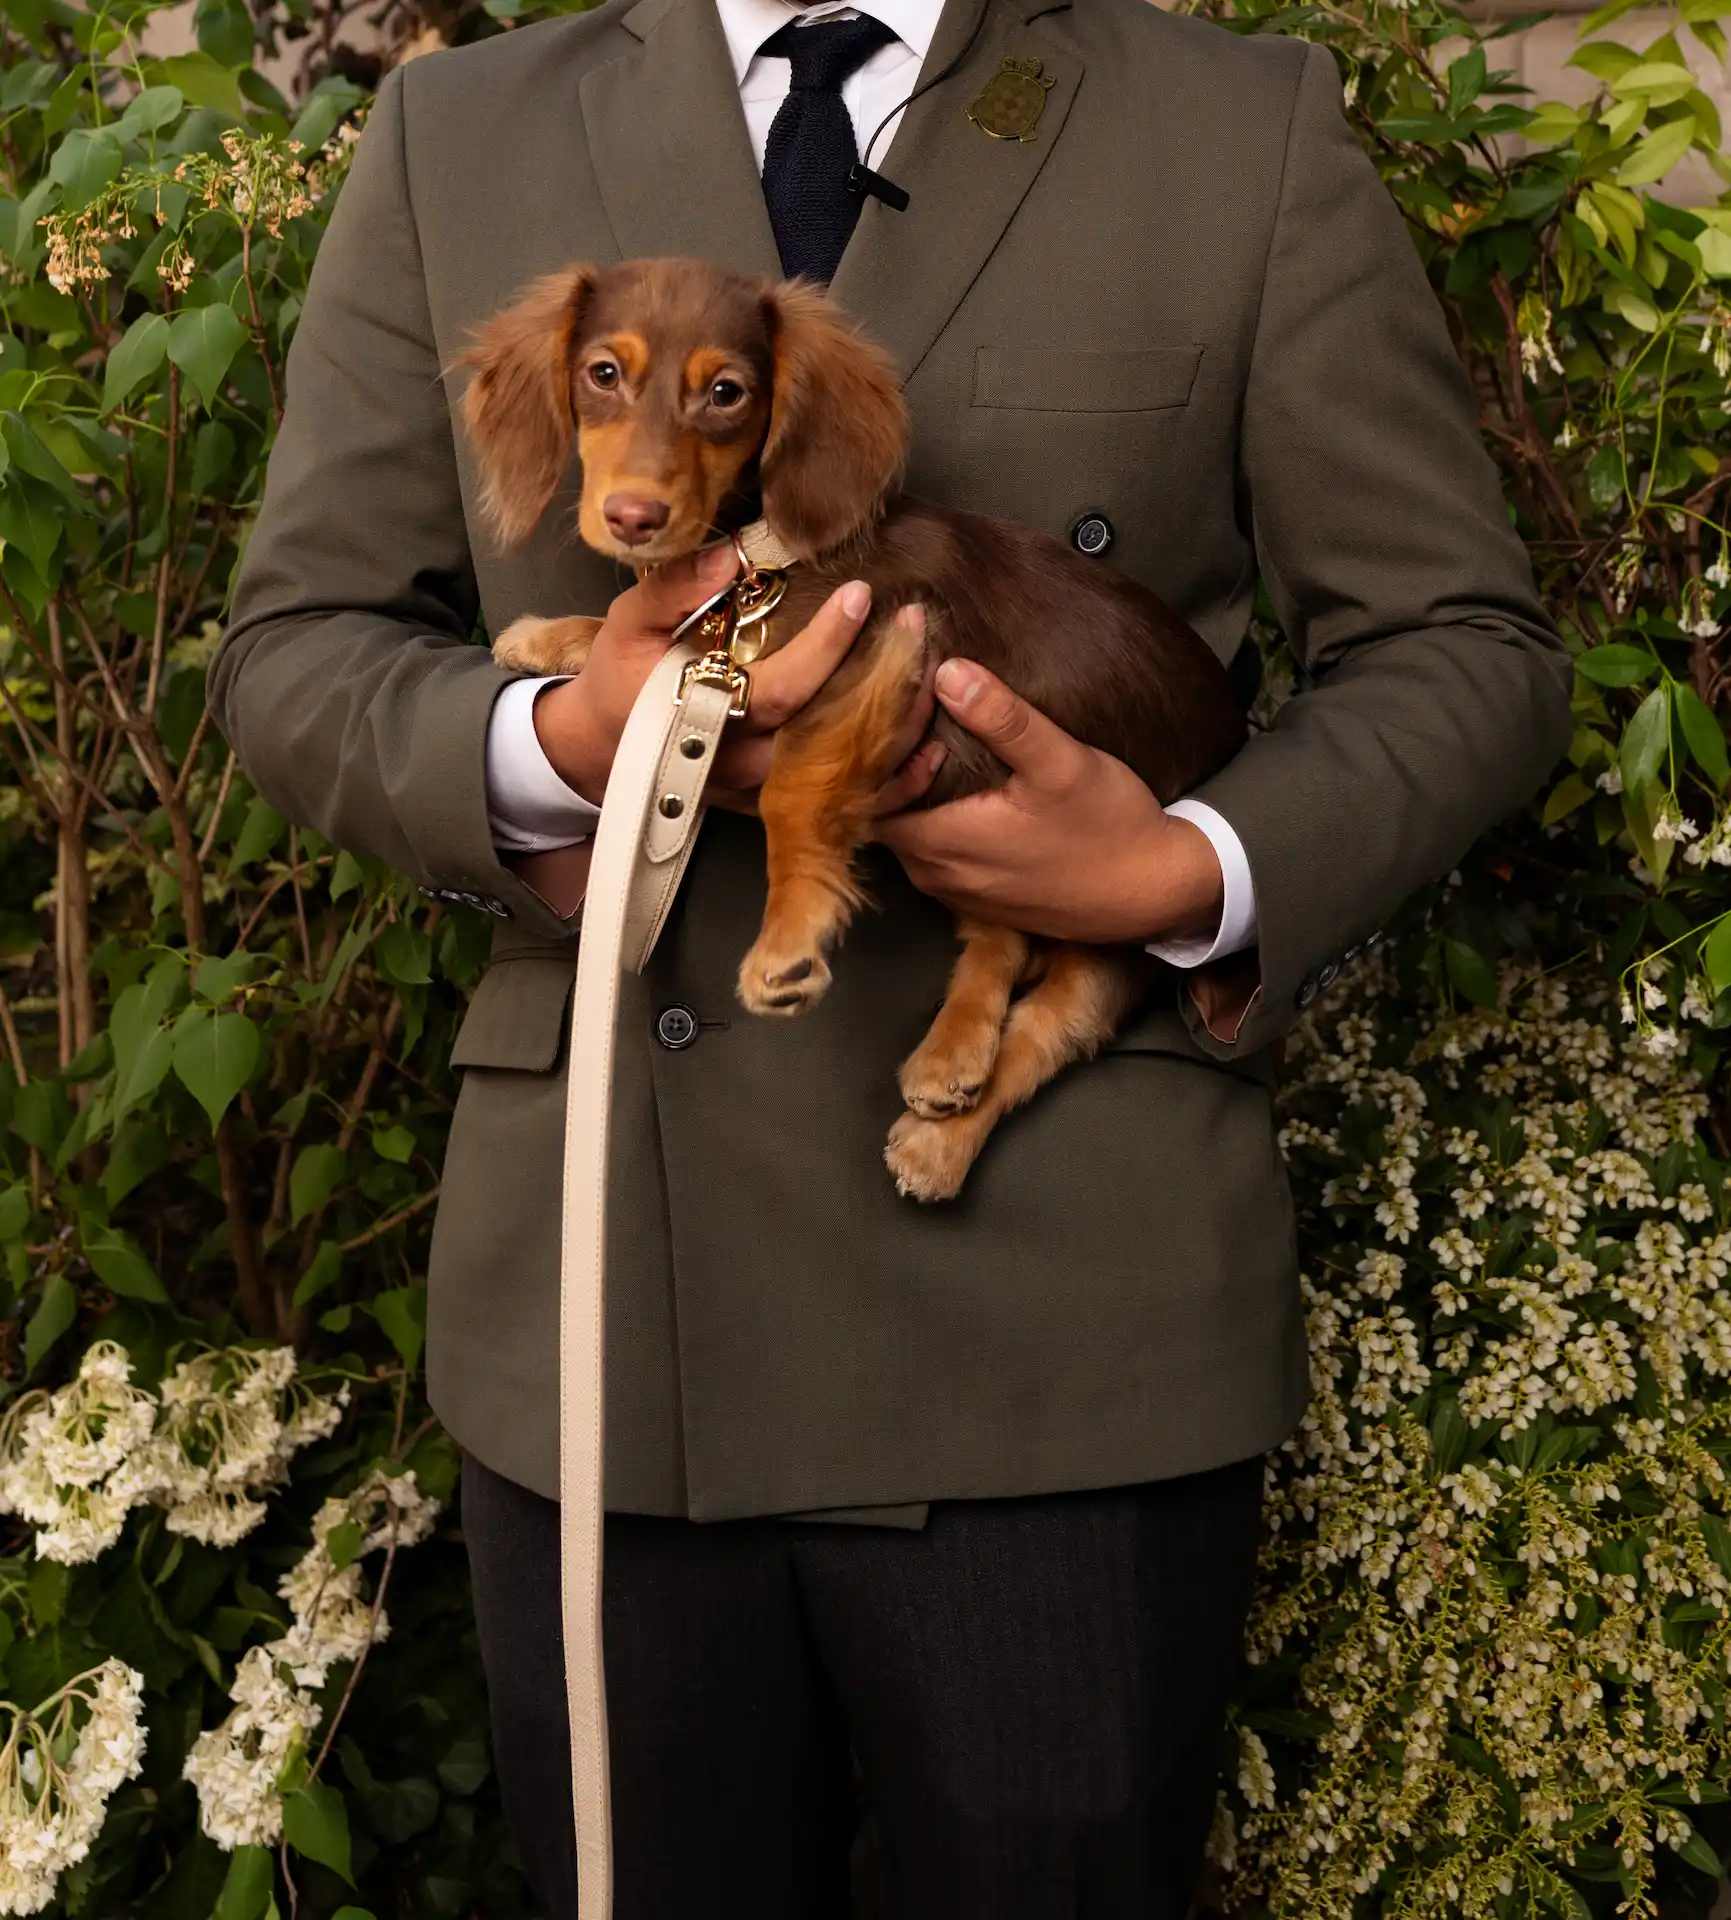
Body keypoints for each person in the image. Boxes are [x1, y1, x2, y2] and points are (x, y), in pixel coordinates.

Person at [209, 0, 1572, 1906]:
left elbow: (1466, 653)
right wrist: (566, 745)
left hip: (1062, 1328)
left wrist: (1175, 868)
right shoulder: (459, 132)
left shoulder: (1236, 129)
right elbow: (296, 653)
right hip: (616, 1325)